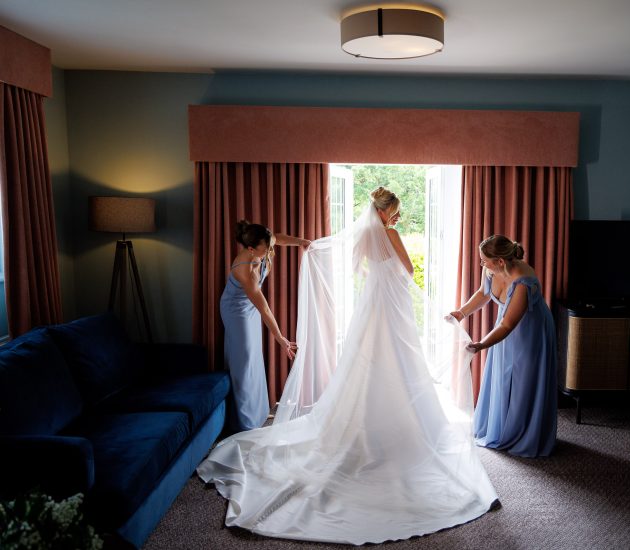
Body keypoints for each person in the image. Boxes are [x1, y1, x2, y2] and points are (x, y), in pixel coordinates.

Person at [198, 188, 498, 544]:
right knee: (397, 359)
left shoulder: (365, 235)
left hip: (372, 304)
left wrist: (323, 250)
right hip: (391, 305)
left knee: (368, 360)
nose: (397, 217)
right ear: (384, 212)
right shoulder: (388, 234)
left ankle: (362, 423)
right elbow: (408, 268)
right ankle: (396, 427)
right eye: (395, 212)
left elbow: (360, 267)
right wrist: (393, 267)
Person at [448, 235, 557, 457]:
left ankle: (524, 433)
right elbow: (483, 293)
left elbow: (508, 325)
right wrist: (461, 313)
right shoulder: (490, 269)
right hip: (504, 327)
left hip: (530, 331)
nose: (481, 263)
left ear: (500, 261)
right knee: (501, 375)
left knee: (524, 381)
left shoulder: (524, 283)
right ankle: (499, 426)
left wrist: (482, 344)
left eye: (484, 260)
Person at [220, 221, 310, 431]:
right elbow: (265, 309)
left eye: (270, 246)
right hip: (236, 311)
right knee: (244, 361)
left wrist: (302, 242)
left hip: (250, 307)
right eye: (266, 248)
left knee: (254, 358)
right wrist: (281, 339)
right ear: (251, 249)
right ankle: (244, 422)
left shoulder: (264, 243)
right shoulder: (245, 270)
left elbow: (279, 238)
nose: (270, 251)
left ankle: (258, 412)